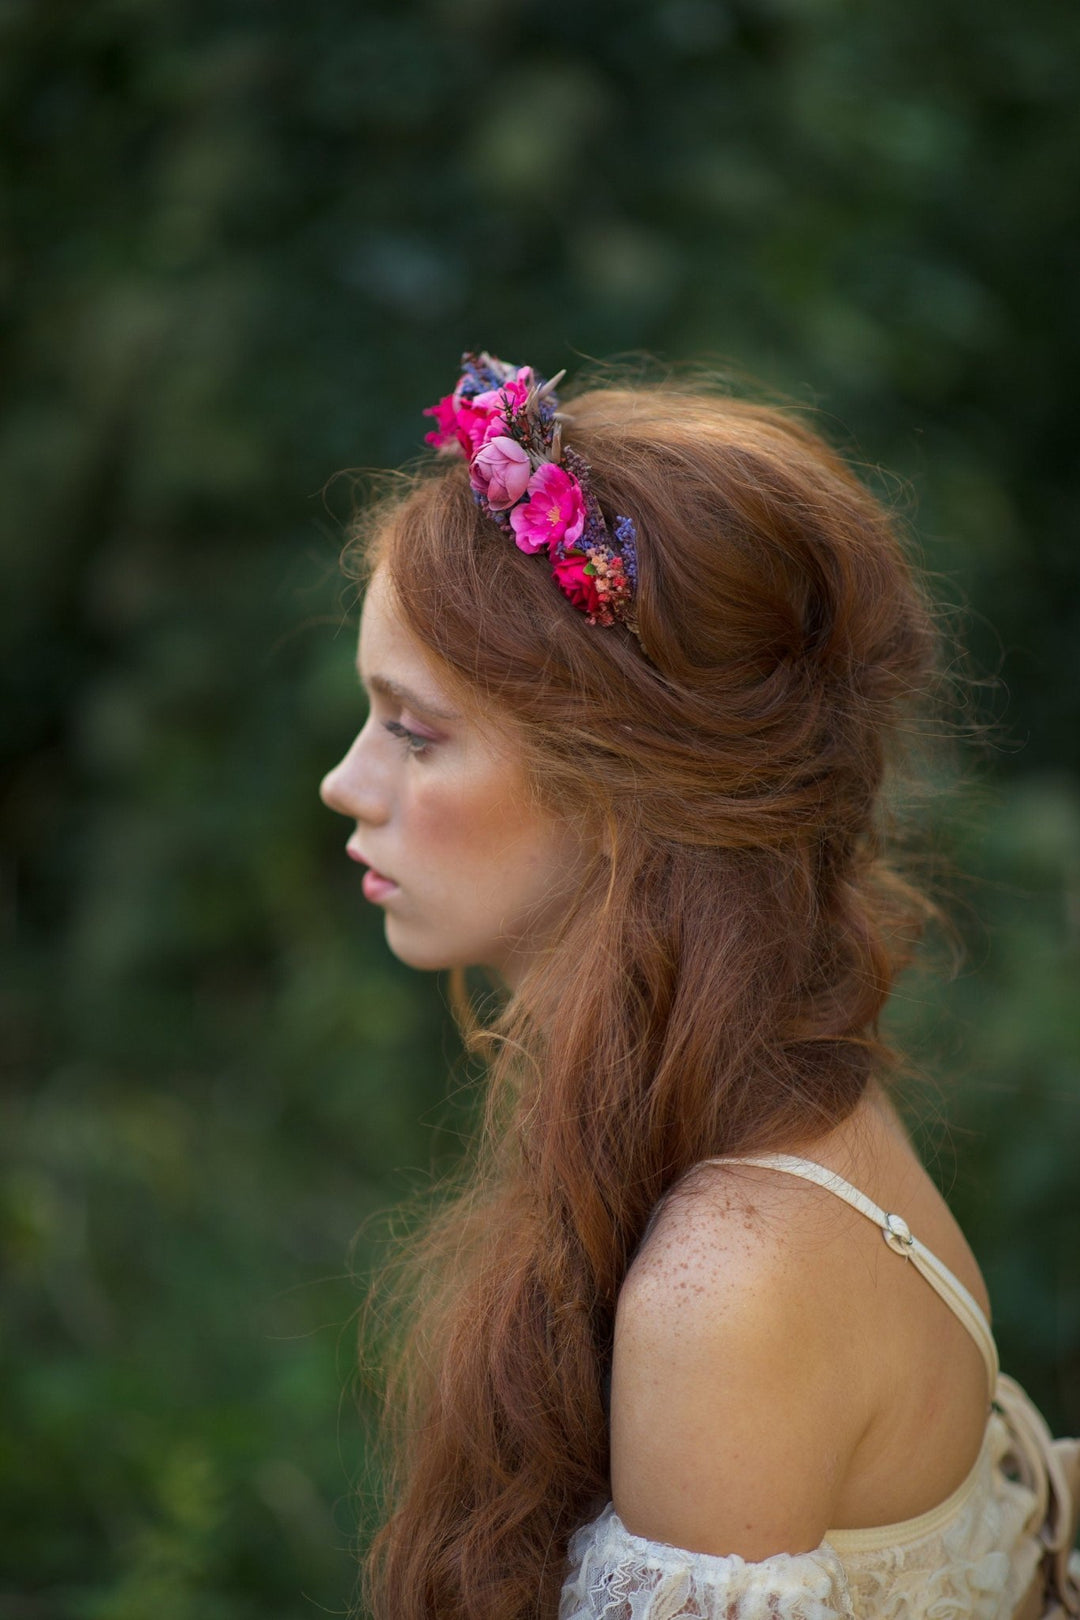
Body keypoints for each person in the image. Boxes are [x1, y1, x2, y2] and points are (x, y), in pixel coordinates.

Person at [318, 354, 1079, 1620]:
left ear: (620, 783)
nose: (348, 782)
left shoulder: (728, 1288)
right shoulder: (779, 1091)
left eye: (413, 731)